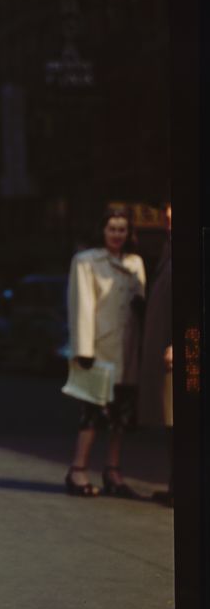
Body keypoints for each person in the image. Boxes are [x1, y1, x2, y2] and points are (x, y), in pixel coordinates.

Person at [64, 204, 146, 497]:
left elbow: (140, 302)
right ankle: (77, 470)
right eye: (112, 229)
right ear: (102, 230)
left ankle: (113, 471)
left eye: (122, 229)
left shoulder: (135, 262)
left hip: (127, 349)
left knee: (120, 416)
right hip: (98, 349)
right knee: (92, 412)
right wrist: (83, 349)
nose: (117, 235)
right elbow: (81, 306)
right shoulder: (86, 261)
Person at [138, 203, 173, 506]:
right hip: (166, 349)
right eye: (167, 215)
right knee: (172, 424)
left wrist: (180, 344)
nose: (169, 220)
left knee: (181, 424)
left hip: (180, 351)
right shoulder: (168, 248)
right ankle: (175, 484)